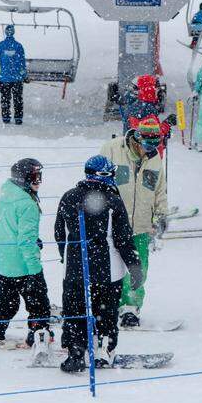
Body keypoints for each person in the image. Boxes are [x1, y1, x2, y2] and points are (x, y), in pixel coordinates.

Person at [55, 155, 143, 372]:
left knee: (75, 311)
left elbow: (59, 232)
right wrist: (134, 266)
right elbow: (123, 238)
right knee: (106, 312)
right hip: (108, 270)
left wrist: (65, 255)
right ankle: (105, 347)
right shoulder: (113, 201)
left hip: (76, 269)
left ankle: (76, 350)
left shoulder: (69, 197)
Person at [0, 159, 53, 356]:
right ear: (24, 179)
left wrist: (33, 239)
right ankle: (38, 336)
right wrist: (35, 269)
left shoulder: (8, 192)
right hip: (22, 265)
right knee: (39, 304)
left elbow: (12, 227)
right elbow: (25, 242)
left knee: (5, 303)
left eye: (40, 176)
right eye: (35, 177)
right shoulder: (27, 204)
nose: (39, 181)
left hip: (2, 261)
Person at [102, 118, 168, 329]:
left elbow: (159, 189)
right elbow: (96, 183)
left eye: (155, 145)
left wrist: (161, 214)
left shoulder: (154, 158)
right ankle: (110, 305)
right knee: (111, 268)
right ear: (138, 138)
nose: (150, 149)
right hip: (114, 225)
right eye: (148, 145)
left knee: (138, 269)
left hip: (140, 225)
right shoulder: (112, 149)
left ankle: (131, 308)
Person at [0, 25, 28, 125]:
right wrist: (24, 76)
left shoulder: (0, 45)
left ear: (6, 32)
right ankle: (18, 118)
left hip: (4, 78)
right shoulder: (18, 46)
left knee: (5, 99)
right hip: (17, 79)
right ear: (13, 32)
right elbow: (22, 64)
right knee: (18, 99)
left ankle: (6, 118)